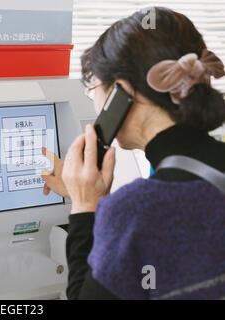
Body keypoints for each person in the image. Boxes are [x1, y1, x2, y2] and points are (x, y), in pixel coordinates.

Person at [42, 7, 225, 300]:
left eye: (95, 90)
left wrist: (85, 208)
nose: (94, 105)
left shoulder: (139, 209)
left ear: (121, 93)